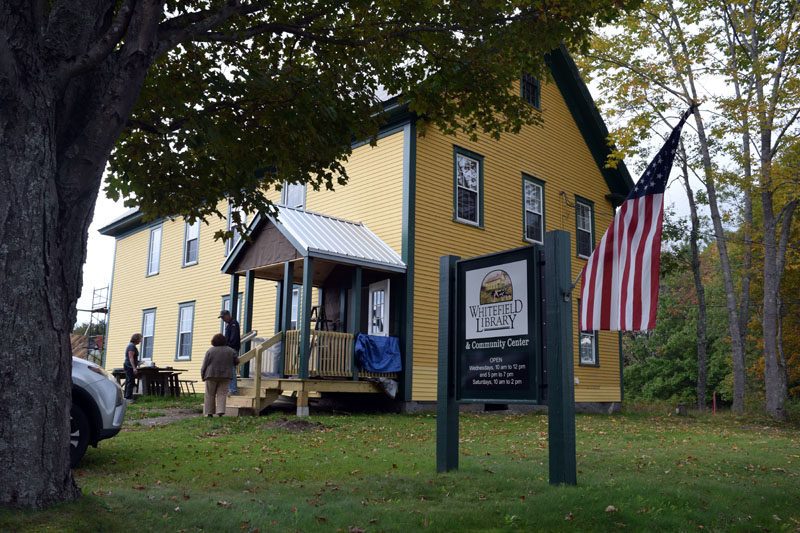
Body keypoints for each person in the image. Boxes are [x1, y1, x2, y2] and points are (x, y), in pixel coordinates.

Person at [201, 333, 240, 416]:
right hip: (226, 375)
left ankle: (209, 413)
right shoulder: (230, 350)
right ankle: (220, 411)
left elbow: (204, 365)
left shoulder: (210, 351)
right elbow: (237, 361)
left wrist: (203, 375)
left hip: (211, 375)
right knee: (222, 394)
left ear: (213, 341)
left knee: (209, 394)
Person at [219, 309, 241, 395]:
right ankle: (230, 388)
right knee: (228, 369)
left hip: (232, 349)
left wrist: (227, 346)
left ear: (228, 315)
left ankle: (233, 389)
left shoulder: (233, 324)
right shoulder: (229, 325)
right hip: (229, 349)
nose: (222, 319)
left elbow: (233, 339)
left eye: (223, 317)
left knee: (231, 369)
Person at [123, 333, 141, 403]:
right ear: (136, 339)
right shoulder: (131, 346)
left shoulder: (133, 346)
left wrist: (138, 361)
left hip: (130, 366)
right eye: (140, 339)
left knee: (129, 381)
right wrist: (134, 368)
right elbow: (130, 358)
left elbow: (133, 357)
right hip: (129, 366)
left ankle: (126, 397)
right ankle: (128, 398)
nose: (140, 340)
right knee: (130, 381)